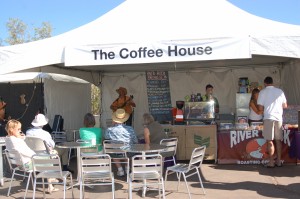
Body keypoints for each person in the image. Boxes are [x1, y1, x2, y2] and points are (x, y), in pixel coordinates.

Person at [5, 119, 58, 193]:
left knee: (47, 159)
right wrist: (36, 155)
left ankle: (51, 180)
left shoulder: (8, 140)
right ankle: (51, 179)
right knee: (49, 157)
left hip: (19, 164)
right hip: (27, 164)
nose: (20, 131)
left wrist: (21, 138)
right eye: (18, 129)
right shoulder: (17, 141)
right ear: (11, 130)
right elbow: (27, 152)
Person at [257, 76, 287, 168]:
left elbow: (260, 108)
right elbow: (285, 105)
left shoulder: (262, 92)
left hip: (268, 117)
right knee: (278, 141)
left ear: (265, 83)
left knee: (270, 141)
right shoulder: (280, 91)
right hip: (278, 118)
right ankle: (278, 161)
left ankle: (271, 162)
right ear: (272, 82)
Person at [104, 108, 138, 176]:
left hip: (115, 153)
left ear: (114, 119)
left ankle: (120, 169)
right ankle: (127, 168)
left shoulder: (109, 130)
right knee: (127, 150)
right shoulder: (130, 129)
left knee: (114, 151)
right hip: (128, 153)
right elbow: (135, 141)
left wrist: (112, 125)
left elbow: (106, 138)